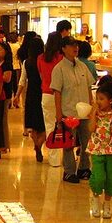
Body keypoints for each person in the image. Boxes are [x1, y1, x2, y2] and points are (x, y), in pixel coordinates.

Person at [51, 36, 94, 183]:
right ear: (63, 49)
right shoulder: (59, 69)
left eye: (76, 45)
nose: (75, 48)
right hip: (68, 112)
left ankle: (84, 168)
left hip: (85, 112)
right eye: (71, 46)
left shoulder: (82, 66)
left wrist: (92, 107)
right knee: (68, 143)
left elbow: (88, 87)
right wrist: (58, 114)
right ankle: (69, 171)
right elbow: (57, 92)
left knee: (86, 141)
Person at [86, 79, 112, 218]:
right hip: (96, 149)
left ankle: (107, 204)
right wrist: (94, 113)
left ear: (111, 100)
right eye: (97, 98)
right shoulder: (94, 113)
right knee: (98, 176)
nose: (98, 101)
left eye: (101, 99)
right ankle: (95, 199)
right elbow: (91, 128)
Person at [15, 35, 46, 162]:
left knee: (32, 125)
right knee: (44, 124)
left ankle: (36, 144)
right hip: (43, 93)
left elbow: (22, 81)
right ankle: (40, 145)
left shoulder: (26, 62)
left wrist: (17, 95)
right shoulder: (45, 61)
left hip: (31, 94)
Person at [38, 32, 64, 167]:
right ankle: (63, 157)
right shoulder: (61, 58)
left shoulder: (41, 58)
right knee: (62, 126)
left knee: (49, 126)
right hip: (60, 95)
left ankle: (54, 159)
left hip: (46, 94)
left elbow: (41, 76)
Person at [0, 41, 14, 151]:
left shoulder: (7, 64)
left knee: (3, 119)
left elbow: (7, 79)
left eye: (0, 50)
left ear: (6, 51)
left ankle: (5, 145)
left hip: (5, 94)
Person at [8, 32, 22, 107]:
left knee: (10, 85)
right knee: (16, 85)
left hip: (10, 66)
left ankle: (9, 102)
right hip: (17, 66)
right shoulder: (18, 45)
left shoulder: (8, 45)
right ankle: (16, 102)